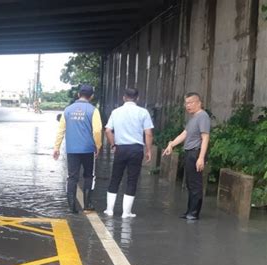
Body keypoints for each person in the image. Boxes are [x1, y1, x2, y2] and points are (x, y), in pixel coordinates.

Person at [104, 88, 154, 218]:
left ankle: (109, 210)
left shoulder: (116, 112)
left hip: (121, 148)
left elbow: (108, 130)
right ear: (137, 98)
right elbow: (148, 133)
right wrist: (148, 150)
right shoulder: (143, 112)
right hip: (136, 149)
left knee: (115, 177)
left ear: (124, 97)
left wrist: (113, 144)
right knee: (132, 179)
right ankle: (126, 212)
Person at [53, 84, 102, 213]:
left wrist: (56, 147)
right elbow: (97, 131)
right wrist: (98, 146)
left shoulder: (67, 110)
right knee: (88, 176)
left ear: (78, 94)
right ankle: (87, 205)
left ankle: (72, 207)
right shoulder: (93, 110)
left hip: (72, 149)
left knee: (72, 177)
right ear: (91, 96)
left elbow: (61, 130)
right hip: (88, 149)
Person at [163, 92, 210, 220]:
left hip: (196, 152)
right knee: (190, 183)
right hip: (190, 152)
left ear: (199, 103)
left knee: (195, 184)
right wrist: (171, 144)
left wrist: (201, 157)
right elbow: (184, 134)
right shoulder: (193, 118)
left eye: (191, 102)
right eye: (186, 103)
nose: (187, 106)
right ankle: (190, 210)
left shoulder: (203, 116)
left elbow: (205, 138)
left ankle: (194, 213)